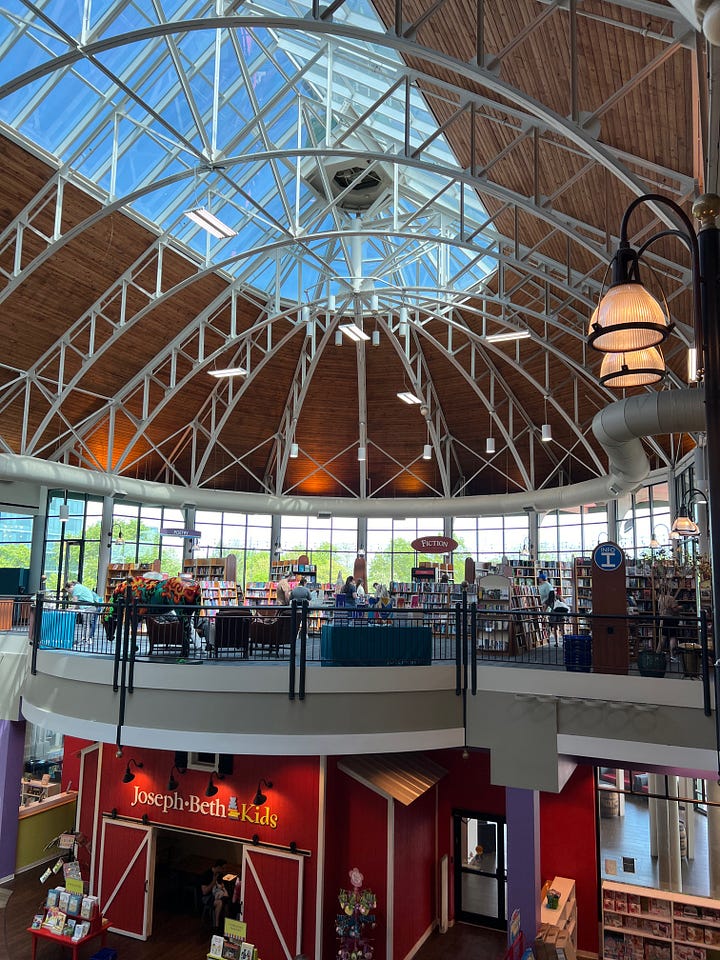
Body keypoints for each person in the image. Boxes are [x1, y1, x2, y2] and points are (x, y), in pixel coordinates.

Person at [200, 860, 229, 932]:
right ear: (218, 867)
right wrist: (213, 881)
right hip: (207, 897)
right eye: (223, 868)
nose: (224, 870)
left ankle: (226, 924)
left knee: (227, 900)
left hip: (216, 894)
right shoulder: (207, 874)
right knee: (219, 903)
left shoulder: (219, 875)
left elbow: (221, 886)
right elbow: (204, 892)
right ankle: (216, 925)